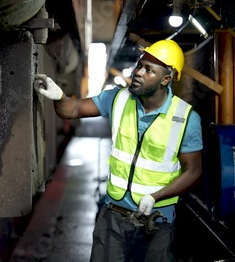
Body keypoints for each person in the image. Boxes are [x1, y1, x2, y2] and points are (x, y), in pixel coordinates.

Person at [34, 39, 203, 261]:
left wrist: (156, 196)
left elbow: (193, 171)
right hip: (113, 215)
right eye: (140, 65)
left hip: (157, 220)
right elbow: (73, 109)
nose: (139, 72)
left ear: (166, 79)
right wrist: (60, 97)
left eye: (148, 70)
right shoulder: (117, 98)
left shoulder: (186, 118)